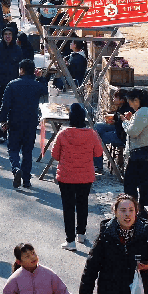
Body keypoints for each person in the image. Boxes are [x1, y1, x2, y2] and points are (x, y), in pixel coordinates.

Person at [79, 194, 148, 294]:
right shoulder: (106, 235)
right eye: (123, 210)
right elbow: (91, 267)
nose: (127, 215)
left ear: (136, 212)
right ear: (115, 212)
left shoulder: (145, 234)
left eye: (131, 210)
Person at [53, 103, 102, 251]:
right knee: (83, 204)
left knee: (68, 207)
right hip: (85, 176)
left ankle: (70, 241)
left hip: (66, 175)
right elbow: (98, 153)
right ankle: (81, 233)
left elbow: (55, 155)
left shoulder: (63, 134)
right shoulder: (92, 134)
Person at [3, 243, 85, 294]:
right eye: (27, 256)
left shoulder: (48, 274)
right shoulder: (15, 279)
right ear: (19, 262)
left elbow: (62, 292)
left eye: (33, 253)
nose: (32, 257)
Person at [0, 59, 48, 189]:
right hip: (31, 122)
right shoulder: (37, 85)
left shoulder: (12, 85)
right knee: (27, 152)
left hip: (15, 121)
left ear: (21, 70)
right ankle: (26, 179)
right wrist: (41, 78)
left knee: (13, 148)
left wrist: (2, 120)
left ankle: (16, 168)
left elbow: (5, 105)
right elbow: (45, 91)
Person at [122, 89, 148, 209]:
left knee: (129, 184)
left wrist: (124, 122)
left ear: (137, 100)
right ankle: (145, 213)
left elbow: (133, 132)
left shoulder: (142, 112)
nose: (129, 104)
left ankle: (131, 209)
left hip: (138, 153)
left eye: (130, 102)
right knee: (146, 186)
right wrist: (132, 119)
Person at [0, 26, 23, 143]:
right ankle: (1, 133)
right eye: (5, 34)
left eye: (10, 34)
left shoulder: (17, 50)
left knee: (13, 110)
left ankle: (11, 133)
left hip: (13, 85)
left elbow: (21, 67)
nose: (7, 36)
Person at [93, 89, 133, 173]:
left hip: (121, 135)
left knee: (97, 139)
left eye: (115, 98)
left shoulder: (127, 110)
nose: (113, 99)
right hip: (117, 128)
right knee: (97, 126)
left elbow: (125, 126)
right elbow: (117, 118)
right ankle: (97, 162)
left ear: (122, 100)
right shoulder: (121, 107)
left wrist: (117, 121)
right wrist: (113, 120)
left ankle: (98, 166)